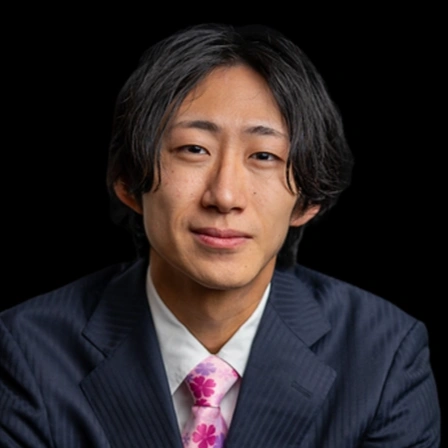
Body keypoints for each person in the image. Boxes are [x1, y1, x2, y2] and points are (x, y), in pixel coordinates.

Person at [0, 24, 440, 448]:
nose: (225, 196)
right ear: (128, 182)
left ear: (308, 200)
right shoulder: (28, 349)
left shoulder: (383, 355)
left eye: (264, 155)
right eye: (194, 149)